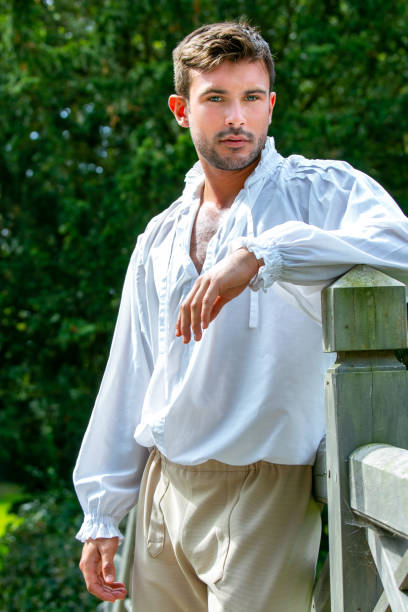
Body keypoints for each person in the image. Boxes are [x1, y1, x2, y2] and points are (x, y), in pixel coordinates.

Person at [74, 21, 408, 611]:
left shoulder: (319, 192)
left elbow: (398, 245)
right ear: (182, 110)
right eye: (217, 99)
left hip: (265, 491)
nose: (238, 118)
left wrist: (263, 252)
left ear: (271, 105)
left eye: (252, 98)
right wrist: (101, 512)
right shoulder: (159, 236)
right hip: (163, 489)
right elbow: (130, 372)